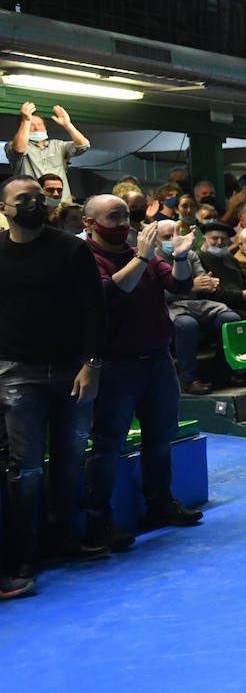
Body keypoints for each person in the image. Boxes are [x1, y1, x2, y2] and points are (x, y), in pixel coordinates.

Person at [0, 175, 105, 599]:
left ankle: (61, 540)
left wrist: (91, 364)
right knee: (24, 469)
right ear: (4, 208)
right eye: (23, 199)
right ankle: (21, 560)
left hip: (70, 369)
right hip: (15, 371)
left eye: (38, 198)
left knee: (68, 460)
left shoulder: (71, 248)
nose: (34, 204)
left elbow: (94, 310)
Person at [81, 193, 202, 552]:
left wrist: (179, 256)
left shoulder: (141, 252)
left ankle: (159, 505)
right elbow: (111, 293)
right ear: (89, 223)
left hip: (158, 360)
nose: (123, 224)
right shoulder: (86, 257)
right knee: (107, 445)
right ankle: (98, 522)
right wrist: (143, 256)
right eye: (113, 217)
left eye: (125, 217)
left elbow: (179, 285)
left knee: (159, 439)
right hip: (116, 365)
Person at [6, 102, 89, 201]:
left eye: (39, 124)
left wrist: (67, 125)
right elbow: (18, 149)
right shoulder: (12, 145)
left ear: (45, 127)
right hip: (32, 204)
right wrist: (26, 121)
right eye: (31, 125)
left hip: (61, 205)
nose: (37, 128)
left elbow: (83, 146)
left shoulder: (58, 145)